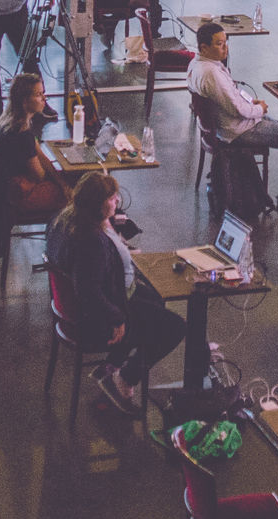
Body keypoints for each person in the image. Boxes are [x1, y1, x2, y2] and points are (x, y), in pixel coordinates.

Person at [47, 173, 185, 414]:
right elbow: (89, 292)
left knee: (156, 301)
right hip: (94, 321)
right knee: (176, 327)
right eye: (112, 199)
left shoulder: (63, 218)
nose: (117, 201)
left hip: (84, 306)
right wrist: (117, 318)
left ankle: (112, 365)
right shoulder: (91, 242)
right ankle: (123, 379)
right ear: (98, 205)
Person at [186, 19, 278, 222]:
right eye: (219, 44)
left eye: (226, 42)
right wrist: (258, 108)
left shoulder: (196, 64)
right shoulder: (212, 74)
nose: (225, 48)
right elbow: (238, 110)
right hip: (238, 130)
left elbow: (230, 96)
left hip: (226, 125)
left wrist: (251, 102)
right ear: (204, 47)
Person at [0, 73, 66, 222]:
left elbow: (40, 154)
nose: (44, 99)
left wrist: (61, 180)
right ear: (25, 101)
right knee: (81, 198)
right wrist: (63, 184)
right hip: (18, 196)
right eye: (39, 94)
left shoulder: (9, 121)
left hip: (3, 190)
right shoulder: (22, 134)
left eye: (43, 93)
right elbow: (39, 175)